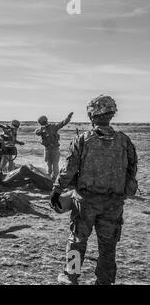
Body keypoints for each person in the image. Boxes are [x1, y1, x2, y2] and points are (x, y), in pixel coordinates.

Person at [50, 95, 138, 285]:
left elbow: (69, 170)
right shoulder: (124, 140)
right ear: (111, 114)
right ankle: (104, 281)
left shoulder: (82, 140)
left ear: (92, 115)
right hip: (113, 204)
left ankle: (71, 276)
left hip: (85, 203)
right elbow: (132, 169)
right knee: (108, 246)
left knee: (76, 240)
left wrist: (57, 190)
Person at [35, 112, 73, 179]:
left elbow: (63, 123)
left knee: (55, 165)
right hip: (47, 149)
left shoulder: (53, 127)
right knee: (49, 164)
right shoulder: (41, 129)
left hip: (55, 149)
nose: (42, 123)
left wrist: (68, 118)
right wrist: (42, 129)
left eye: (42, 122)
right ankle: (49, 177)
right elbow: (36, 132)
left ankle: (56, 178)